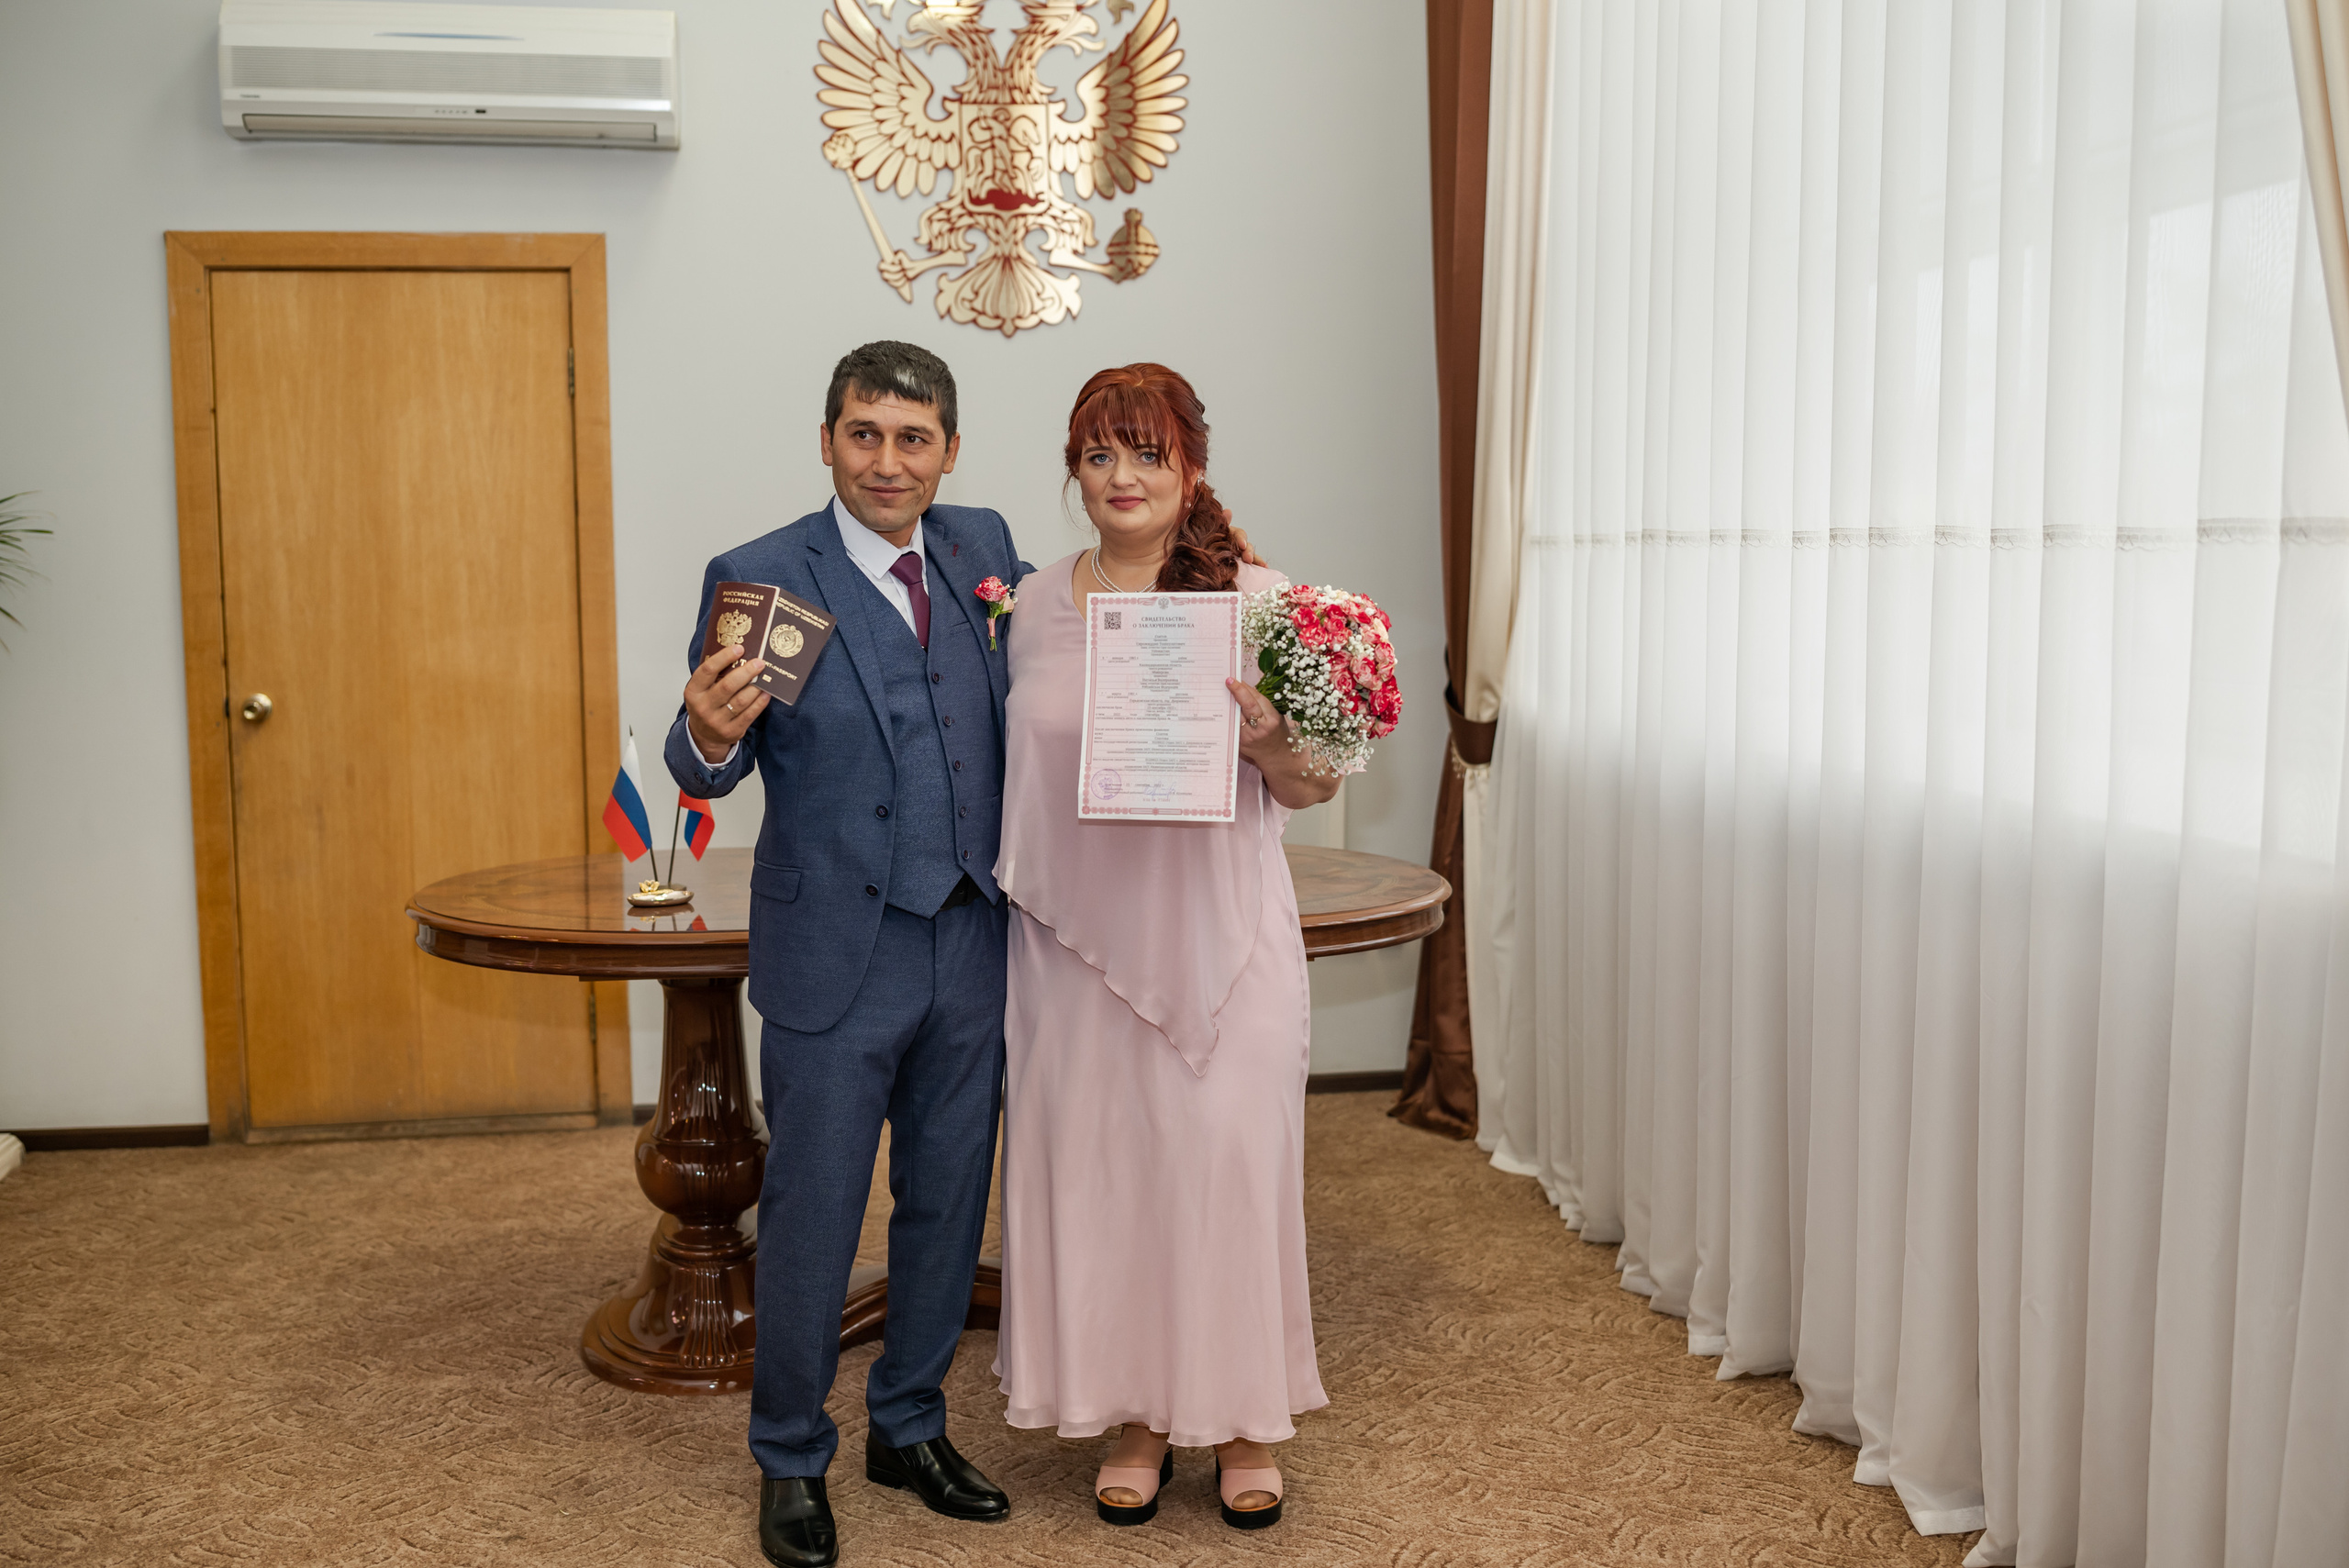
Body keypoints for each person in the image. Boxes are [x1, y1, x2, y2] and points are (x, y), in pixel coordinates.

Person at [668, 341, 1021, 1568]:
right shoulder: (769, 577)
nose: (888, 460)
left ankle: (909, 1425)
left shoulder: (985, 553)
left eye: (913, 438)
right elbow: (707, 749)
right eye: (864, 433)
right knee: (815, 1215)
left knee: (945, 1202)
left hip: (973, 940)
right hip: (836, 954)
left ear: (950, 453)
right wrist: (701, 743)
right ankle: (789, 1453)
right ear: (827, 440)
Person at [991, 363, 1338, 1531]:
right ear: (1073, 472)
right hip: (1070, 955)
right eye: (1099, 455)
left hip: (1224, 943)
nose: (1122, 477)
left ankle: (1243, 1423)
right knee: (1109, 1182)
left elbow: (1315, 782)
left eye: (1145, 452)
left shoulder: (1262, 599)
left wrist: (1273, 740)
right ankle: (1137, 1415)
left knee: (1227, 1175)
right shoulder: (1031, 603)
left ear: (1190, 465)